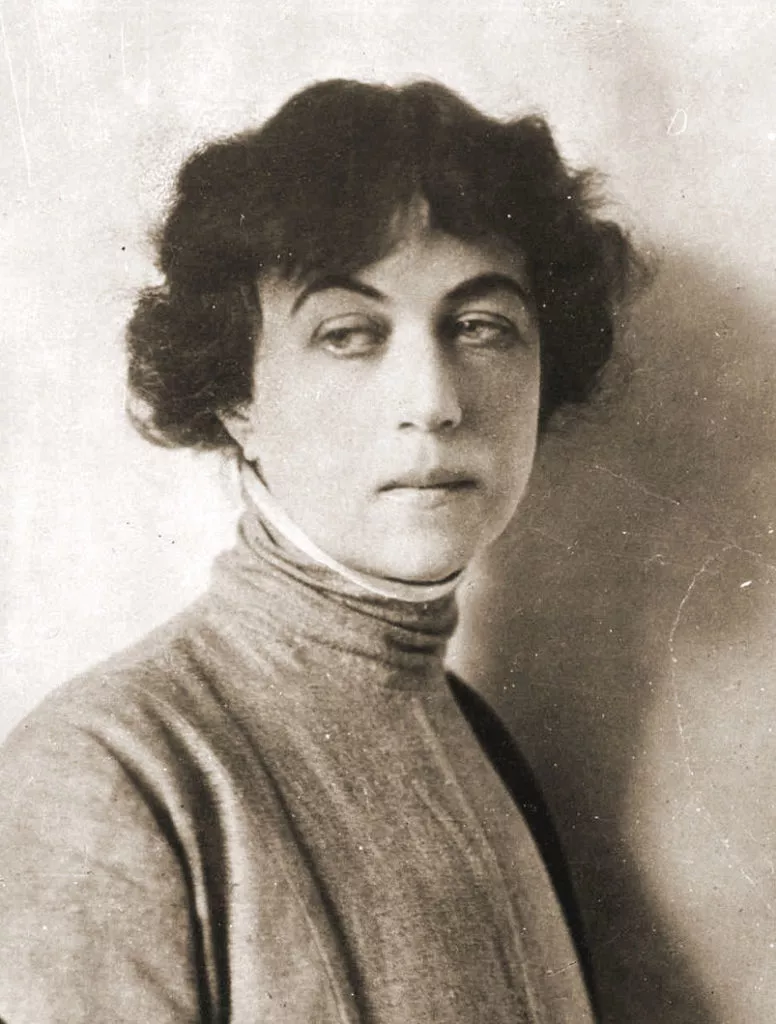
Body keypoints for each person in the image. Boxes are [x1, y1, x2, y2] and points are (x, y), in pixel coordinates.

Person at [0, 79, 639, 1023]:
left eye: (480, 327)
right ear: (238, 398)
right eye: (349, 334)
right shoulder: (113, 771)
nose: (433, 401)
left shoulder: (485, 743)